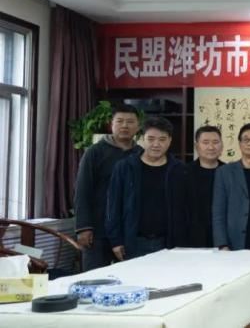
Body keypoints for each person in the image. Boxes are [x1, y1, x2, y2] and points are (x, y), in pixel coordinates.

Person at [106, 116, 188, 260]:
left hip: (169, 242)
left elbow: (186, 207)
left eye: (162, 139)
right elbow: (113, 206)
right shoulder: (125, 167)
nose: (156, 144)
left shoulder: (179, 169)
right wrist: (116, 240)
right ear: (142, 139)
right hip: (134, 241)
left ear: (170, 141)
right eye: (151, 139)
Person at [74, 104, 141, 270]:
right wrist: (83, 227)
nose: (125, 126)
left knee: (129, 276)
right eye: (120, 121)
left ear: (138, 126)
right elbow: (82, 190)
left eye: (130, 122)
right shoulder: (95, 152)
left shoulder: (140, 154)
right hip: (97, 230)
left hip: (128, 230)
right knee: (95, 276)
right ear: (111, 124)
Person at [212, 123, 250, 251]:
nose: (249, 143)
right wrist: (222, 244)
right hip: (233, 243)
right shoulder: (224, 172)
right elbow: (218, 212)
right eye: (245, 140)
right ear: (240, 144)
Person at [186, 125, 224, 248]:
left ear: (222, 146)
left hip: (223, 239)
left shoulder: (229, 173)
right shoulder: (184, 172)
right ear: (197, 146)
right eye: (205, 142)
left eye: (215, 142)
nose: (211, 147)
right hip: (191, 239)